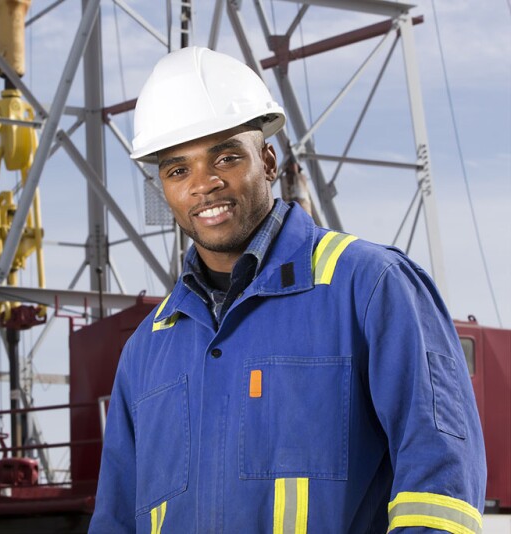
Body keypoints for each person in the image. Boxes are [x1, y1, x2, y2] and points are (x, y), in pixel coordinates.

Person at [89, 46, 486, 533]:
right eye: (178, 170)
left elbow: (440, 483)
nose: (204, 184)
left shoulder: (371, 287)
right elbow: (115, 520)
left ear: (269, 161)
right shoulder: (147, 350)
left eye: (227, 157)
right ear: (164, 189)